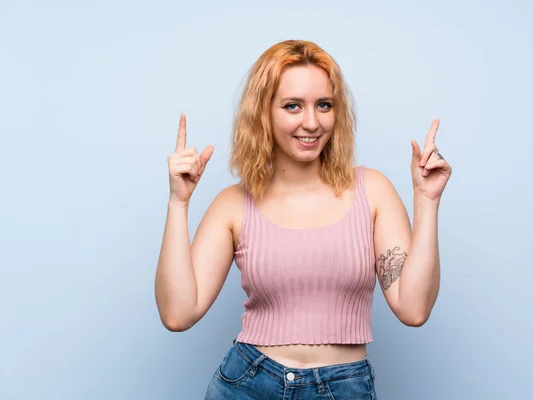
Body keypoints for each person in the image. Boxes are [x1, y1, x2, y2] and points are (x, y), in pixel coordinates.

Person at [154, 39, 452, 399]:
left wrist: (426, 200)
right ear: (265, 113)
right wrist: (178, 203)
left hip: (344, 386)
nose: (311, 123)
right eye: (293, 106)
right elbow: (177, 314)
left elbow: (414, 309)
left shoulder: (372, 191)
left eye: (323, 105)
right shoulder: (234, 204)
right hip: (249, 383)